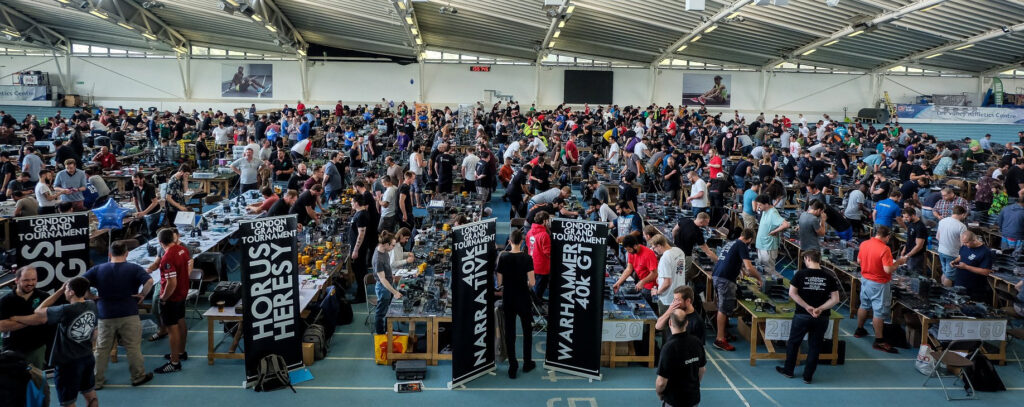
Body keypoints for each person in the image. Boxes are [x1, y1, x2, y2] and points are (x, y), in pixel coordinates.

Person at [1, 277, 98, 407]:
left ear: (71, 292)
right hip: (87, 357)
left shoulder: (65, 310)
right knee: (90, 393)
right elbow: (95, 333)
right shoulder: (91, 305)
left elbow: (38, 310)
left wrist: (59, 290)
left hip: (68, 363)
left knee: (68, 401)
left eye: (66, 290)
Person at [84, 241, 155, 388]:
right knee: (133, 348)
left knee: (102, 349)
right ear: (127, 253)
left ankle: (96, 380)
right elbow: (149, 281)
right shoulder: (134, 268)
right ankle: (138, 377)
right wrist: (142, 294)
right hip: (129, 312)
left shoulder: (98, 269)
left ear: (109, 254)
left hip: (106, 314)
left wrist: (90, 295)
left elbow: (80, 282)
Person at [777, 251, 840, 384]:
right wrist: (820, 308)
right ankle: (808, 376)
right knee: (815, 346)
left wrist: (807, 307)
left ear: (807, 259)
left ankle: (789, 371)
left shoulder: (800, 274)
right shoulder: (829, 276)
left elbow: (792, 293)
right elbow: (835, 299)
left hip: (802, 315)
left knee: (794, 343)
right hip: (821, 317)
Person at [855, 226, 906, 353]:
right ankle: (879, 341)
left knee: (864, 305)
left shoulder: (864, 243)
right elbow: (888, 269)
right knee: (879, 311)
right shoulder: (885, 248)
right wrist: (899, 262)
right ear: (887, 236)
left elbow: (858, 260)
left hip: (865, 280)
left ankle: (859, 329)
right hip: (879, 283)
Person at [712, 229, 762, 351]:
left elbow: (731, 258)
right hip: (725, 279)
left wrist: (740, 270)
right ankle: (720, 339)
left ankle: (723, 333)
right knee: (723, 309)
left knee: (723, 307)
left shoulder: (732, 243)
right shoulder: (743, 245)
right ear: (749, 239)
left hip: (717, 275)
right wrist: (759, 279)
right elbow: (749, 267)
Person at [496, 229, 536, 379]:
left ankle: (513, 365)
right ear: (522, 241)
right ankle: (527, 362)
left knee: (510, 332)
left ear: (509, 242)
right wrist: (523, 283)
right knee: (527, 331)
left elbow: (499, 283)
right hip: (523, 298)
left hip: (509, 298)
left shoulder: (503, 257)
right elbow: (532, 282)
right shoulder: (527, 258)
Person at [154, 228, 190, 374]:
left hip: (172, 297)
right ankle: (181, 352)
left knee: (171, 329)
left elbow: (171, 283)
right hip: (182, 293)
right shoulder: (182, 250)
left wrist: (163, 298)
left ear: (160, 242)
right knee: (181, 321)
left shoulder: (167, 258)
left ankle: (174, 362)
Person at [0, 267, 50, 368]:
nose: (30, 283)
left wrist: (16, 319)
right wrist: (34, 319)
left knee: (36, 380)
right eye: (26, 280)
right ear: (16, 280)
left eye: (33, 279)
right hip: (12, 348)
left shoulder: (44, 297)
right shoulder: (5, 301)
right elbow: (2, 326)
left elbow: (44, 319)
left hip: (36, 347)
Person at [656, 310, 706, 407]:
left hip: (674, 400)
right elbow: (702, 370)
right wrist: (693, 386)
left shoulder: (668, 348)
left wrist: (659, 393)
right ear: (687, 323)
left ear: (670, 323)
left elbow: (661, 382)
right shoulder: (697, 342)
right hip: (693, 399)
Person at [613, 235, 660, 310]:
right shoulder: (631, 253)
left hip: (651, 286)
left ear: (635, 246)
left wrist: (643, 282)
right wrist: (618, 282)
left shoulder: (648, 254)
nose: (628, 252)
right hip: (642, 283)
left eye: (629, 250)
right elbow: (629, 269)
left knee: (647, 307)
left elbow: (655, 273)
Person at [950, 231, 994, 303]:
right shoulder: (964, 246)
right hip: (959, 283)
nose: (964, 244)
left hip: (973, 288)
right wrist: (955, 261)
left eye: (966, 242)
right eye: (963, 242)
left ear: (974, 240)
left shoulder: (985, 252)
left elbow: (986, 272)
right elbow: (961, 256)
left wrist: (966, 267)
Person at [372, 231, 402, 335]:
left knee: (387, 311)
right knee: (381, 313)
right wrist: (395, 292)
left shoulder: (383, 250)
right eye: (393, 245)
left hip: (388, 283)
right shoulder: (378, 259)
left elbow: (386, 269)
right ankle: (381, 335)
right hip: (383, 287)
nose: (394, 247)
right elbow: (382, 280)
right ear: (386, 244)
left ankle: (387, 330)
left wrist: (391, 275)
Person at [650, 234, 686, 316]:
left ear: (659, 246)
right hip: (680, 296)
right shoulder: (679, 251)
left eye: (654, 248)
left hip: (667, 299)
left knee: (665, 324)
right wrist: (660, 278)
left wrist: (657, 292)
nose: (654, 250)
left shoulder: (665, 258)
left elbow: (667, 283)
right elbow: (677, 270)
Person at [755, 194, 789, 279]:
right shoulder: (765, 211)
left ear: (766, 204)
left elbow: (786, 224)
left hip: (768, 246)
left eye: (760, 205)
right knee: (762, 269)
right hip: (761, 245)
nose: (758, 207)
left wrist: (775, 231)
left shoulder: (773, 213)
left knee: (768, 271)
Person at [936, 205, 968, 287]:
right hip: (952, 254)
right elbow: (963, 243)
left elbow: (937, 237)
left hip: (941, 250)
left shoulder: (942, 221)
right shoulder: (962, 226)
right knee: (949, 277)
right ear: (963, 214)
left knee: (945, 273)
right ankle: (946, 296)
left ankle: (942, 292)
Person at [348, 194, 371, 303]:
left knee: (359, 272)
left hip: (360, 249)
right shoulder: (361, 213)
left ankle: (361, 296)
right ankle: (361, 292)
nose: (351, 204)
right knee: (360, 271)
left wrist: (356, 250)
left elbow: (361, 234)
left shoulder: (361, 215)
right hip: (360, 248)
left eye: (352, 202)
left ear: (357, 203)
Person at [526, 211, 552, 301]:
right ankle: (536, 305)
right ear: (544, 221)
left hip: (531, 264)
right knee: (539, 288)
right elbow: (547, 253)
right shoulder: (544, 235)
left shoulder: (529, 232)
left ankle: (535, 301)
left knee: (534, 285)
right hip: (542, 266)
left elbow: (528, 245)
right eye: (548, 220)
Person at [900, 208, 929, 276]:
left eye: (906, 217)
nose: (904, 219)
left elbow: (919, 246)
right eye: (903, 217)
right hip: (909, 254)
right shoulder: (910, 224)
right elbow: (909, 239)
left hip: (916, 257)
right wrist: (904, 249)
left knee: (914, 276)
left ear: (913, 215)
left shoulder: (920, 227)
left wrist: (908, 255)